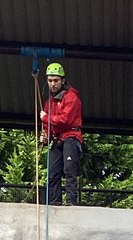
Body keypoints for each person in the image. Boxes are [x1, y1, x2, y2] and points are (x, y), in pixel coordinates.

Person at [41, 63, 82, 207]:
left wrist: (46, 118)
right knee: (52, 172)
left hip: (71, 135)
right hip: (58, 139)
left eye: (56, 80)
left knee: (69, 169)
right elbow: (49, 127)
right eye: (50, 80)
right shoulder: (49, 103)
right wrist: (45, 136)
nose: (52, 84)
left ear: (63, 80)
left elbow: (66, 120)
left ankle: (71, 202)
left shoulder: (71, 97)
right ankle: (54, 202)